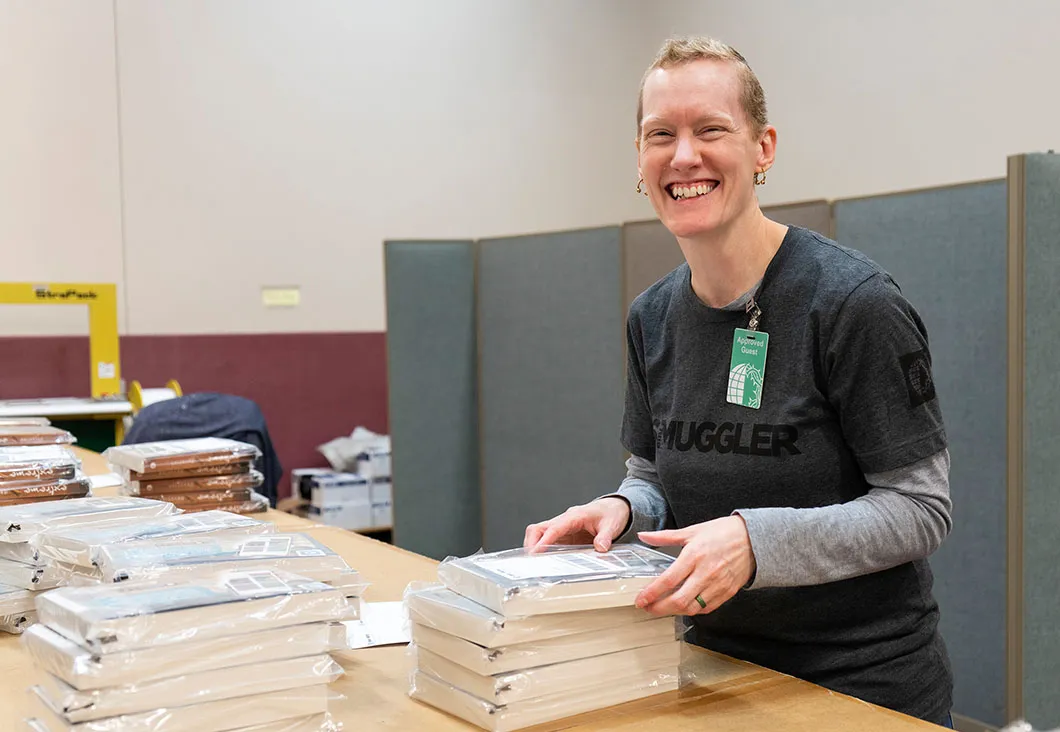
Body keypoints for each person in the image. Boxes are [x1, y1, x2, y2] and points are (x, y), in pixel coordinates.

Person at [523, 36, 954, 727]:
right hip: (714, 675)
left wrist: (757, 543)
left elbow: (920, 508)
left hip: (862, 688)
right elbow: (653, 474)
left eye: (710, 129)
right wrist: (624, 510)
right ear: (640, 159)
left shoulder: (853, 303)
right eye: (660, 134)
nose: (683, 156)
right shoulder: (651, 317)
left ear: (763, 149)